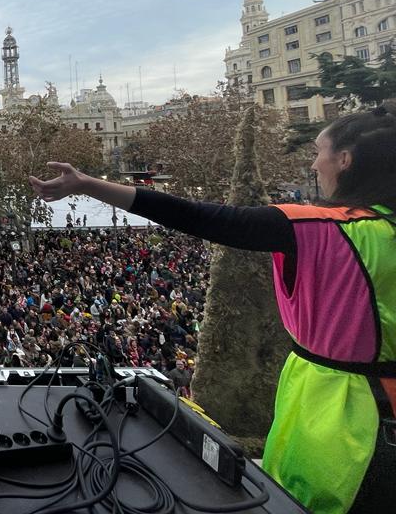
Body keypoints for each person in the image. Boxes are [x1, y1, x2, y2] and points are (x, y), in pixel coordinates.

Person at [29, 103, 396, 514]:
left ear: (344, 160)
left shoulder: (321, 228)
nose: (313, 165)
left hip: (348, 420)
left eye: (318, 152)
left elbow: (200, 216)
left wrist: (89, 185)